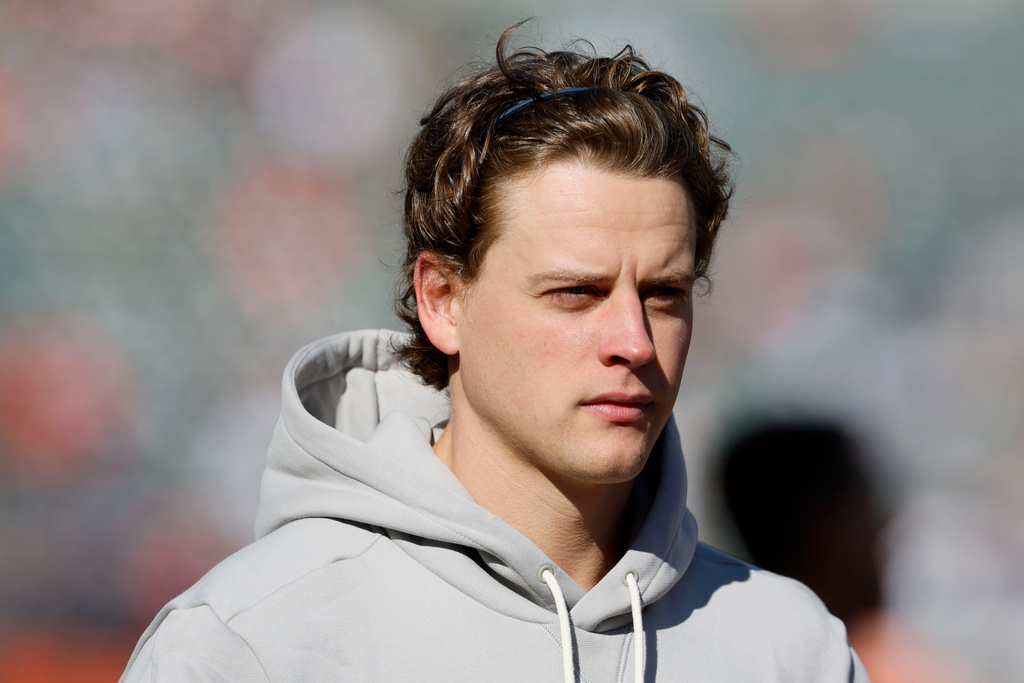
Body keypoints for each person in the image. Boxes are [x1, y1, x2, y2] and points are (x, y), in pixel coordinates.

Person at [121, 25, 869, 682]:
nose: (634, 342)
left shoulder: (790, 650)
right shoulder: (253, 646)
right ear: (443, 300)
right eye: (575, 292)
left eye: (665, 293)